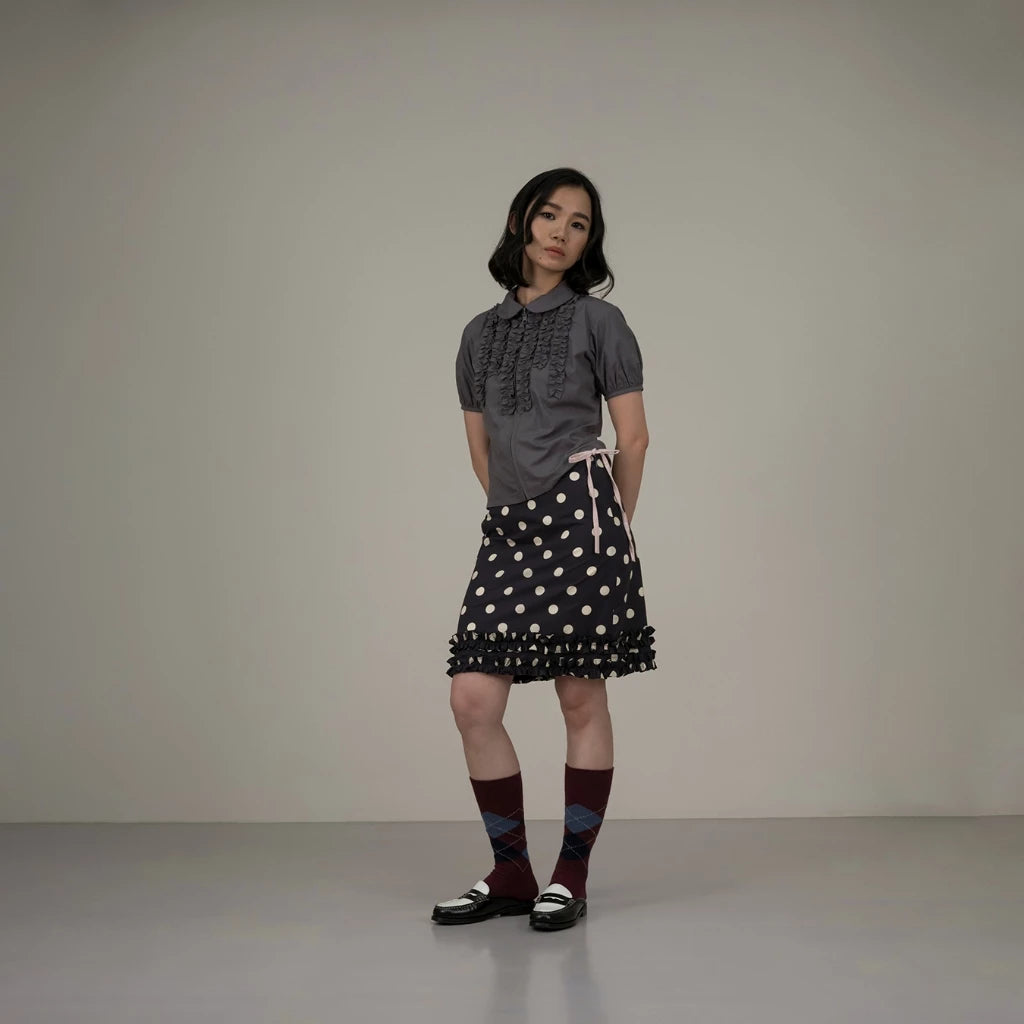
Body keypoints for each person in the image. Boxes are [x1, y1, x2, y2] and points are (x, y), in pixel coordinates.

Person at [431, 167, 656, 932]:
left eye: (579, 223)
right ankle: (511, 872)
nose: (561, 232)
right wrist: (514, 513)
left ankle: (570, 874)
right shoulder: (477, 335)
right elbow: (481, 450)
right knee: (473, 699)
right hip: (510, 527)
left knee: (579, 696)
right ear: (520, 222)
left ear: (590, 242)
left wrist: (609, 531)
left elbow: (634, 438)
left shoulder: (601, 323)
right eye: (550, 215)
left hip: (584, 519)